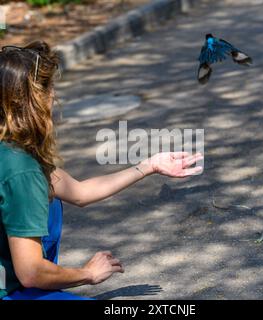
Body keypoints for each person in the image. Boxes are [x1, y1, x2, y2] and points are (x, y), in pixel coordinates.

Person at [0, 41, 202, 300]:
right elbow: (30, 272)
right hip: (14, 291)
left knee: (49, 198)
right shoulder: (22, 169)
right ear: (32, 100)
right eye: (49, 89)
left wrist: (149, 165)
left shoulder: (12, 153)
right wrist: (87, 273)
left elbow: (80, 192)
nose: (54, 98)